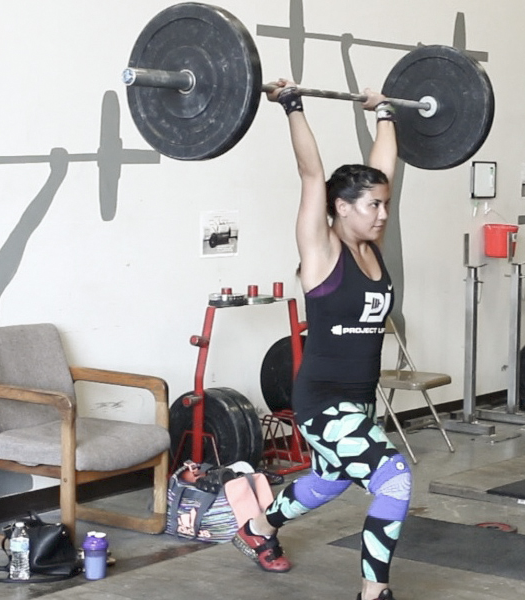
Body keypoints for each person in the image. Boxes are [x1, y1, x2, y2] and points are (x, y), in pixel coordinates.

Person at [232, 80, 410, 600]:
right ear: (342, 206)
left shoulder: (372, 246)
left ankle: (258, 528)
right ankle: (373, 592)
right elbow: (312, 174)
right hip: (323, 401)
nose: (382, 213)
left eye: (384, 204)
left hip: (358, 399)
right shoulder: (322, 251)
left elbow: (384, 170)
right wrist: (293, 105)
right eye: (373, 205)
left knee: (330, 480)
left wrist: (385, 113)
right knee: (394, 477)